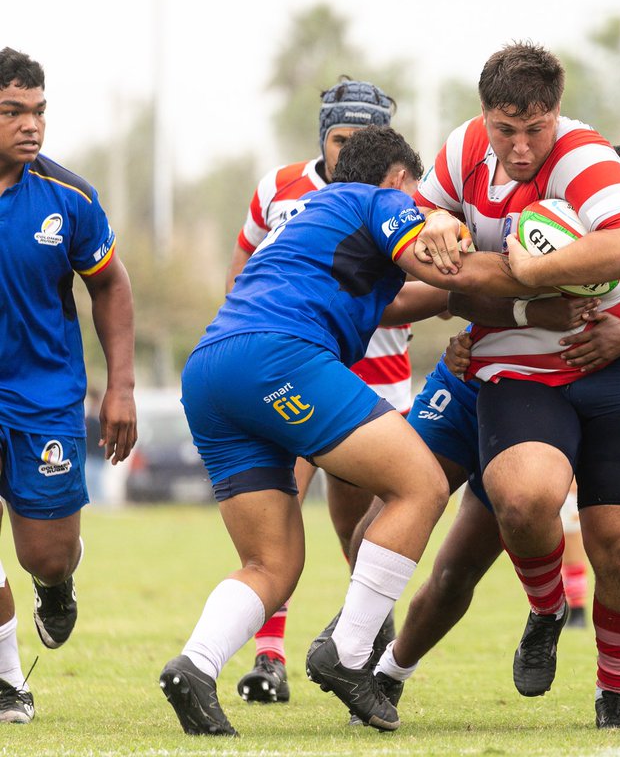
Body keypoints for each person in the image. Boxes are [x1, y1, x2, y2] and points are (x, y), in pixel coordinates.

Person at [159, 125, 536, 737]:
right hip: (279, 357)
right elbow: (444, 267)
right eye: (417, 195)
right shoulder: (381, 198)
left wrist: (449, 302)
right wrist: (536, 274)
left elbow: (394, 302)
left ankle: (195, 668)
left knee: (270, 562)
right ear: (399, 179)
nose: (421, 207)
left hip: (209, 372)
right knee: (421, 485)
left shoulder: (312, 214)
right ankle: (350, 652)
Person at [360, 142, 620, 710]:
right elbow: (452, 290)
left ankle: (614, 692)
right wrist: (441, 233)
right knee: (451, 557)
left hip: (611, 396)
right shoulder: (532, 218)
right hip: (494, 385)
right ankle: (377, 657)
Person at [411, 42, 620, 729]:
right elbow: (414, 242)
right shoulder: (460, 152)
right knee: (524, 500)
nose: (522, 145)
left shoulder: (585, 155)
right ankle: (545, 608)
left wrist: (530, 270)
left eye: (536, 128)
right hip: (521, 360)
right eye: (507, 129)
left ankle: (615, 694)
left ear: (557, 114)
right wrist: (437, 221)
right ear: (485, 116)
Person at [225, 79, 436, 705]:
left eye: (361, 141)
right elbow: (245, 269)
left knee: (361, 529)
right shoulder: (278, 188)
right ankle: (269, 656)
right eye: (340, 138)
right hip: (292, 373)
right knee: (276, 516)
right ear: (322, 134)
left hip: (376, 383)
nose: (348, 152)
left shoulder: (399, 196)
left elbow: (405, 290)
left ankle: (362, 647)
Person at [0, 47, 137, 724]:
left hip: (46, 395)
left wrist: (122, 388)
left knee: (44, 553)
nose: (31, 125)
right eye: (13, 112)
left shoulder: (69, 197)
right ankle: (6, 681)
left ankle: (55, 584)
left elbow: (109, 285)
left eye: (39, 111)